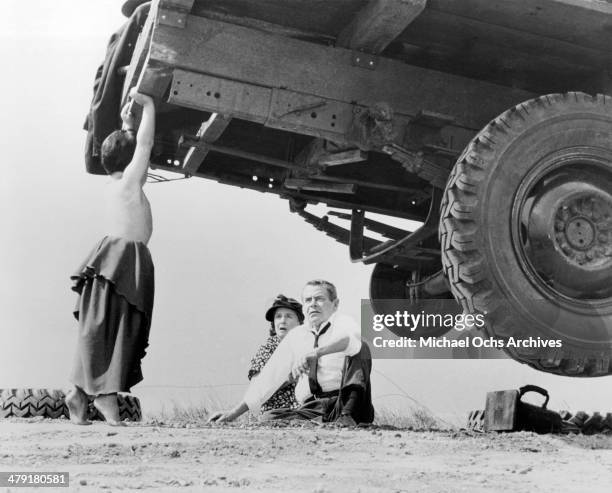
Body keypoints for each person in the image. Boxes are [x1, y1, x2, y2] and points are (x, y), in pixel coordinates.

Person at [66, 88, 156, 426]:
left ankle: (79, 392)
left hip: (118, 260)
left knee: (101, 328)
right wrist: (148, 107)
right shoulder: (129, 184)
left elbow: (134, 148)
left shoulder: (122, 184)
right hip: (122, 261)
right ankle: (104, 396)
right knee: (116, 328)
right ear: (130, 162)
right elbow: (143, 146)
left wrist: (126, 123)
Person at [209, 280, 374, 425]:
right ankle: (320, 423)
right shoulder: (296, 336)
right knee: (269, 417)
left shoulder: (343, 323)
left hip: (345, 402)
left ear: (335, 304)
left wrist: (316, 353)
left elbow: (351, 340)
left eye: (320, 299)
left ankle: (347, 418)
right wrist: (232, 414)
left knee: (361, 347)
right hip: (313, 407)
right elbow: (269, 378)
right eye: (308, 300)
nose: (313, 304)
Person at [248, 295, 304, 412]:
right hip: (275, 409)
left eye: (289, 316)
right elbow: (256, 388)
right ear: (273, 323)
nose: (283, 320)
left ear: (300, 322)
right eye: (278, 317)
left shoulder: (306, 346)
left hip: (306, 408)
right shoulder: (268, 349)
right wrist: (289, 378)